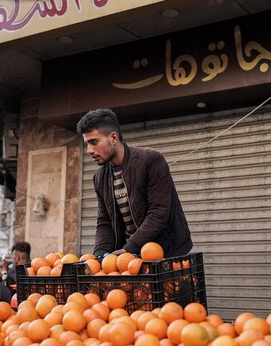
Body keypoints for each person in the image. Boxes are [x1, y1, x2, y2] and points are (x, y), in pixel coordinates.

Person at [76, 108, 192, 258]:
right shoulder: (100, 178)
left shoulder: (150, 160)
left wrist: (130, 248)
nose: (89, 150)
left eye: (94, 142)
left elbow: (158, 212)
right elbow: (104, 220)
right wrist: (99, 254)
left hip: (166, 252)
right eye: (87, 144)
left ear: (113, 138)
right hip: (130, 256)